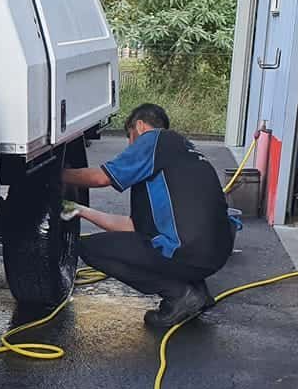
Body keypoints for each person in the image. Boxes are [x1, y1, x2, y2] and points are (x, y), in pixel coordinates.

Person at [61, 103, 235, 330]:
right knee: (151, 245)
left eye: (130, 138)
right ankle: (195, 289)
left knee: (89, 248)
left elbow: (100, 178)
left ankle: (180, 294)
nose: (131, 147)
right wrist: (81, 210)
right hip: (214, 254)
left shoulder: (153, 141)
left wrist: (57, 175)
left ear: (140, 127)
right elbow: (133, 227)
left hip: (189, 250)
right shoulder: (183, 154)